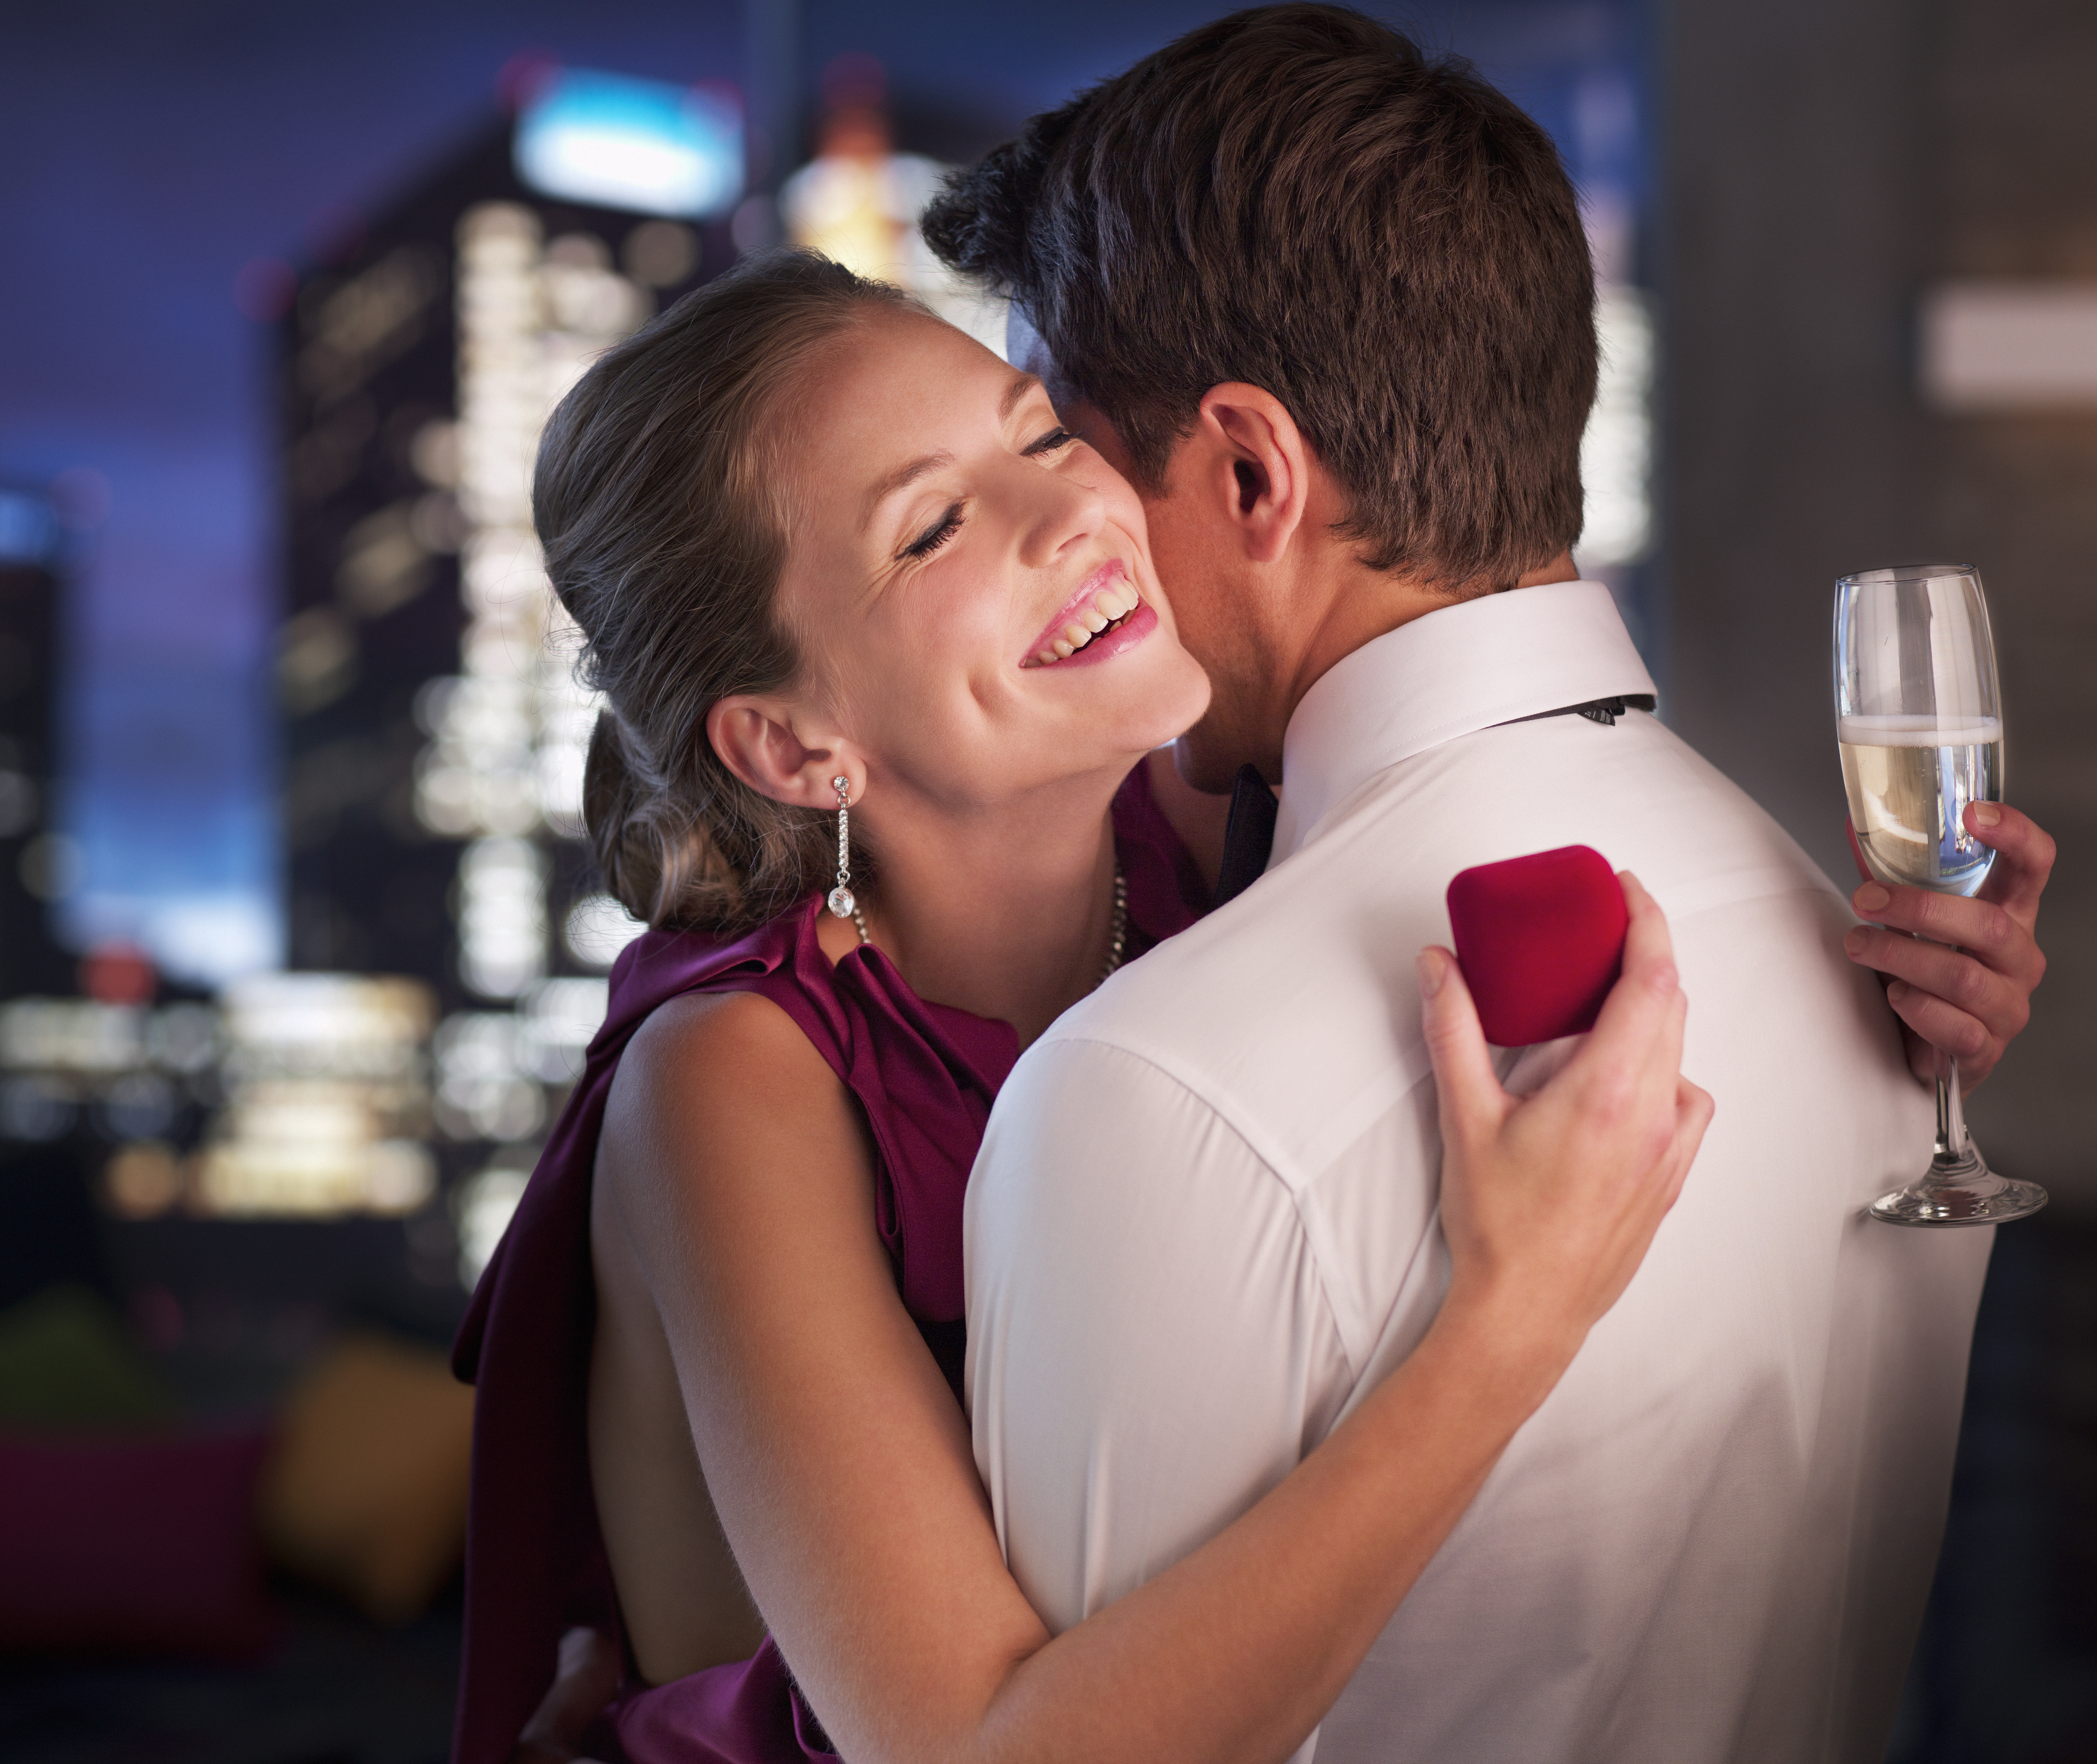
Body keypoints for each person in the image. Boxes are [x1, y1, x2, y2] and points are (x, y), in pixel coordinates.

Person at [916, 8, 2056, 1762]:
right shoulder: (1879, 978)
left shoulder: (1156, 1092)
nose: (1063, 544)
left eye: (1069, 459)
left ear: (1246, 474)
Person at [453, 248, 1717, 1764]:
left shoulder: (1209, 836)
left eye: (1042, 433)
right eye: (932, 529)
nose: (1077, 512)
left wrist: (1897, 968)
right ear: (793, 746)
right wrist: (1512, 1325)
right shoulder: (727, 1082)